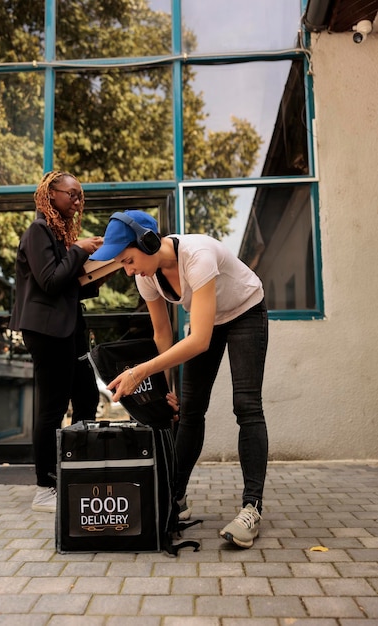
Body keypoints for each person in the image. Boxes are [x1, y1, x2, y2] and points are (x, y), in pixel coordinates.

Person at [90, 209, 269, 549]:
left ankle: (251, 507)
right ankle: (175, 499)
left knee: (246, 405)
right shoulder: (147, 276)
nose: (128, 271)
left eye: (128, 260)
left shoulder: (197, 255)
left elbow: (199, 340)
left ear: (149, 241)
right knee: (187, 411)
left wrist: (139, 372)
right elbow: (162, 334)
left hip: (245, 311)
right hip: (208, 321)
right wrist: (164, 390)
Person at [9, 170, 104, 513]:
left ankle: (74, 469)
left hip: (70, 329)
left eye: (80, 195)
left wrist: (100, 272)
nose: (78, 201)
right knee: (51, 408)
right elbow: (50, 281)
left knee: (87, 395)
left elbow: (69, 283)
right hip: (47, 332)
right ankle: (44, 488)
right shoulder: (38, 231)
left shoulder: (59, 233)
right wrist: (78, 250)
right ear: (51, 195)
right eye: (72, 194)